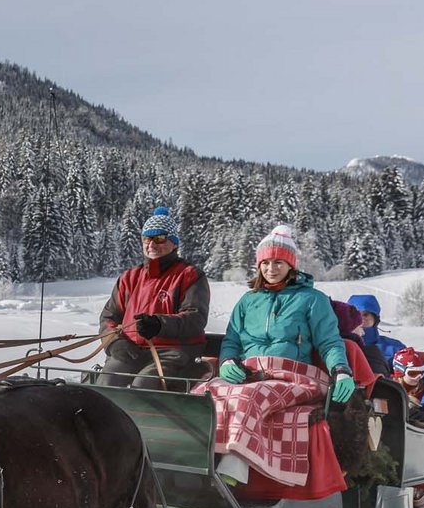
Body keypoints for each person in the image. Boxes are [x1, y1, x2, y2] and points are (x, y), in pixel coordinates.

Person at [202, 225, 354, 486]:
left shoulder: (312, 300)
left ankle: (231, 472)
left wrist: (341, 371)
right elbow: (232, 340)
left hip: (292, 377)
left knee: (248, 397)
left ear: (291, 265)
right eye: (266, 263)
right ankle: (190, 462)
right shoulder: (248, 302)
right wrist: (227, 361)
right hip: (249, 373)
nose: (271, 269)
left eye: (278, 262)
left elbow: (329, 341)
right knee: (204, 393)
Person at [97, 206, 210, 390]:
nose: (151, 244)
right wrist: (115, 342)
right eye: (147, 238)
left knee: (144, 385)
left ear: (174, 243)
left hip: (173, 352)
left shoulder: (190, 275)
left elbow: (195, 318)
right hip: (132, 350)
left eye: (159, 238)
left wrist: (160, 324)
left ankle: (142, 419)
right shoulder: (129, 277)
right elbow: (109, 317)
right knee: (109, 381)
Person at [345, 293, 404, 376]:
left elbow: (419, 375)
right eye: (356, 314)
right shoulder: (338, 346)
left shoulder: (394, 348)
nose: (360, 319)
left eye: (365, 314)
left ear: (375, 319)